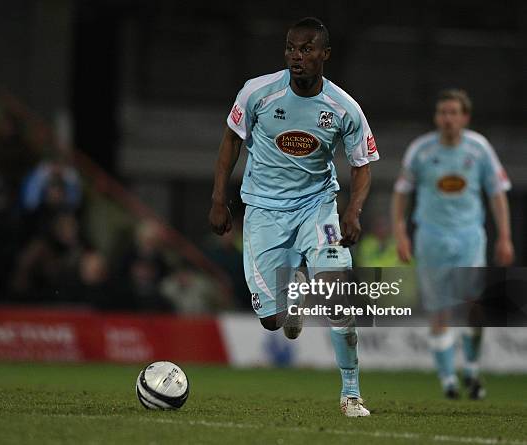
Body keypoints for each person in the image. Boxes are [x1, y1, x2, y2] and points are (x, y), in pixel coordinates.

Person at [209, 17, 379, 417]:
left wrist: (352, 211)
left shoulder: (343, 107)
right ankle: (294, 294)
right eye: (290, 48)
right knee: (272, 320)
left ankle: (350, 393)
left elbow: (362, 164)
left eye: (305, 50)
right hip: (264, 211)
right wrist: (219, 199)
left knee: (340, 297)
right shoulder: (257, 93)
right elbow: (231, 141)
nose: (296, 57)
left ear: (325, 55)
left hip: (317, 207)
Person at [392, 89, 514, 400]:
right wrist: (401, 232)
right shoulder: (420, 150)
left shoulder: (479, 148)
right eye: (442, 112)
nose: (446, 118)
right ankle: (448, 379)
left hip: (469, 236)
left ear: (465, 117)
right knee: (439, 310)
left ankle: (471, 368)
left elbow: (497, 192)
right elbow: (402, 192)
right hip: (430, 237)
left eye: (452, 112)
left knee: (473, 304)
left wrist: (504, 236)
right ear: (436, 117)